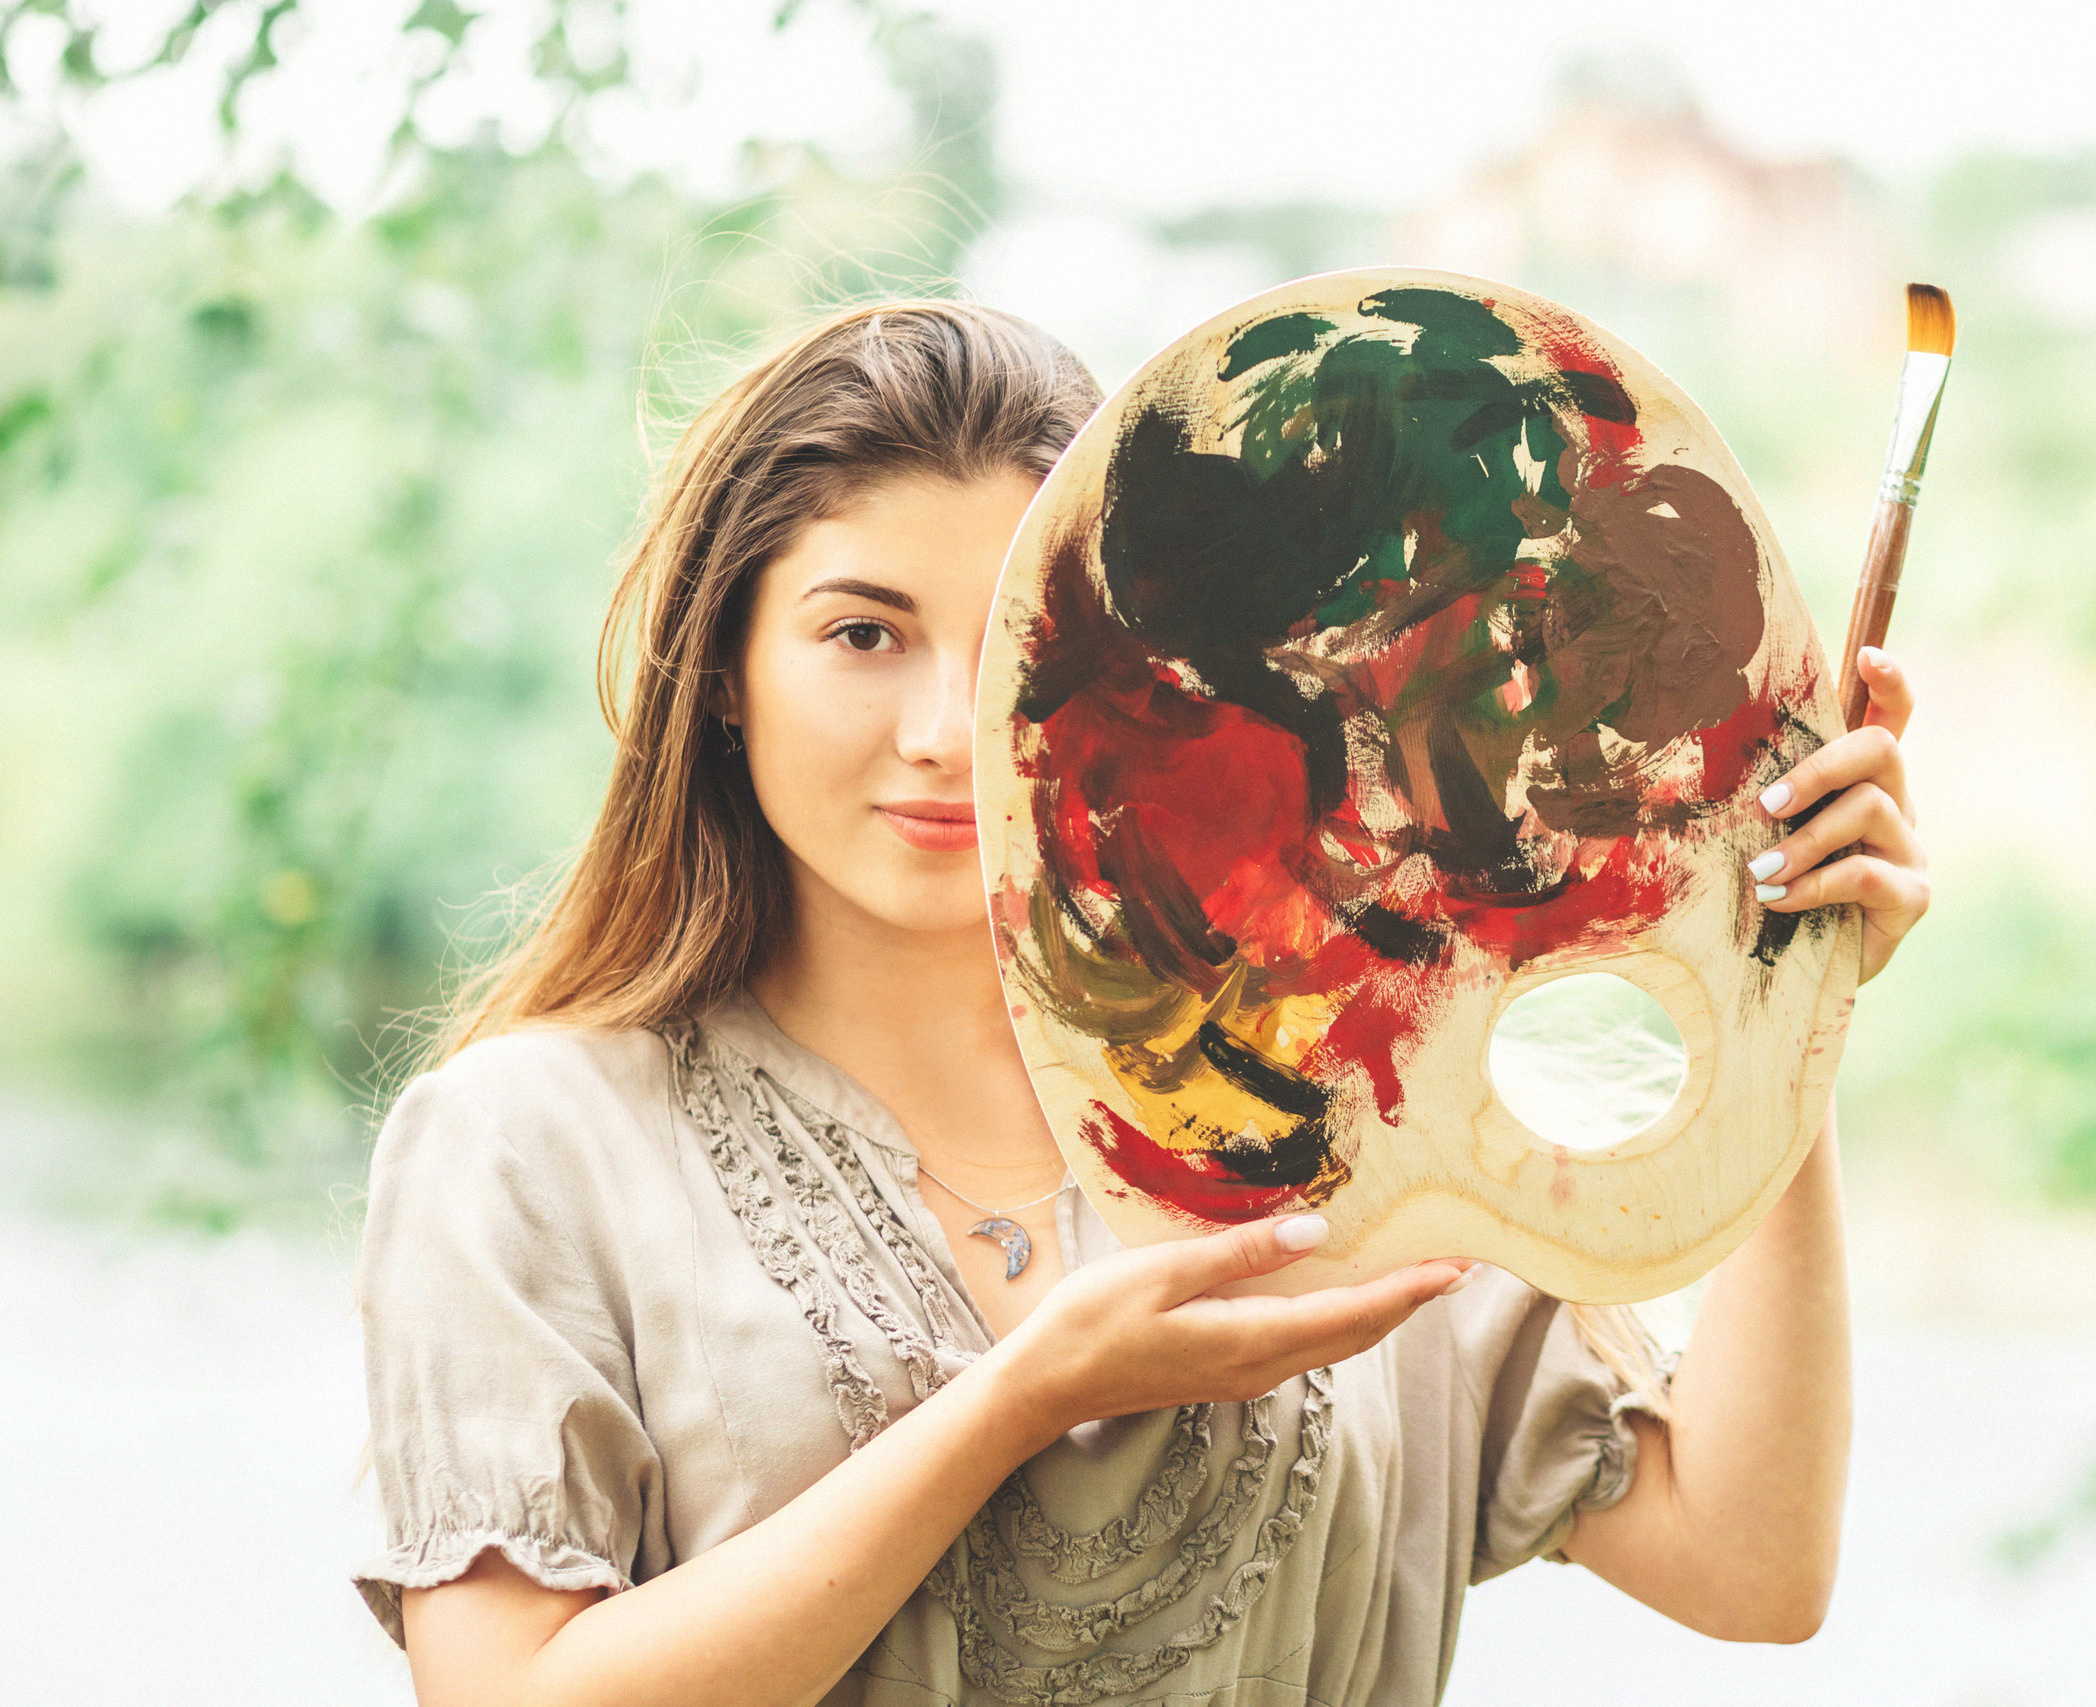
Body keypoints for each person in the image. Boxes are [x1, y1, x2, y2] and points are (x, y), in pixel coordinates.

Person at [353, 299, 1932, 1707]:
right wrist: (1023, 1402)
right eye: (861, 634)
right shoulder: (528, 1143)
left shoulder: (1344, 1077)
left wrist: (1787, 987)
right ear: (722, 671)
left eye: (1013, 647)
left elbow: (1747, 1568)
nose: (940, 727)